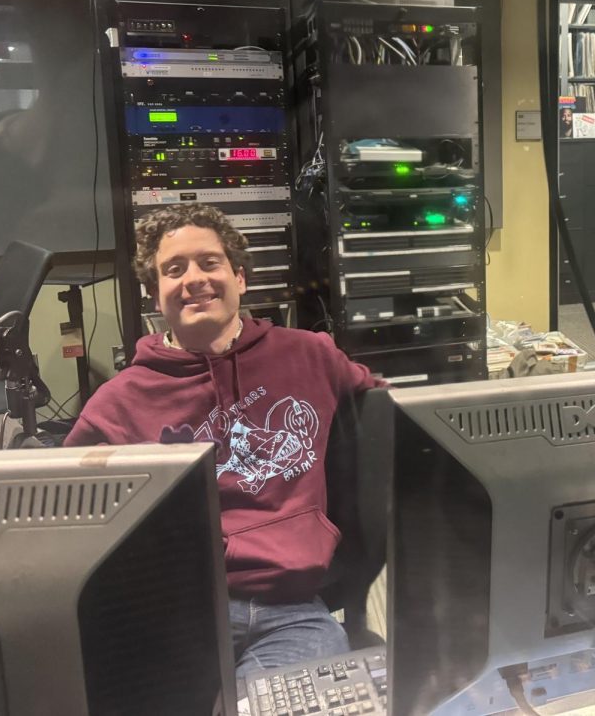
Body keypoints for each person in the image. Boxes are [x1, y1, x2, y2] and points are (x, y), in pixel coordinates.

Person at [63, 203, 382, 678]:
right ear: (155, 295)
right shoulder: (119, 402)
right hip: (179, 614)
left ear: (240, 278)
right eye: (174, 270)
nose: (194, 279)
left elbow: (397, 420)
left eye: (209, 263)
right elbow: (63, 513)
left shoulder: (312, 356)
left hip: (292, 610)